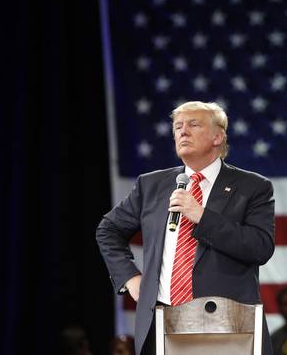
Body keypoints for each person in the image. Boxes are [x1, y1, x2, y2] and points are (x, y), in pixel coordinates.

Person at [96, 101, 276, 355]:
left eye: (193, 124)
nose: (183, 131)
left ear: (218, 136)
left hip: (226, 325)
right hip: (160, 320)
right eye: (178, 126)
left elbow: (260, 247)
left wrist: (202, 216)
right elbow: (108, 230)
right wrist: (130, 277)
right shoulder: (152, 185)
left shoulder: (252, 187)